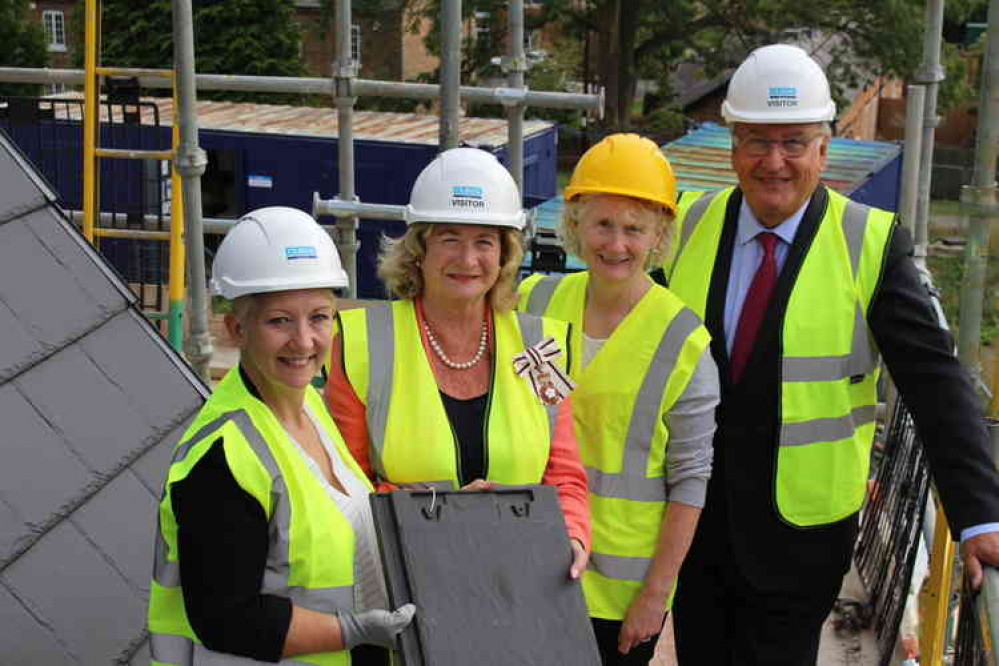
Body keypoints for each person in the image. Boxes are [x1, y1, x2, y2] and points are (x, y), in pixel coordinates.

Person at [664, 43, 999, 665]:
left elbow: (934, 382)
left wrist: (979, 515)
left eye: (794, 143)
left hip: (801, 538)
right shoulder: (688, 223)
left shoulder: (869, 242)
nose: (774, 162)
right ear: (732, 146)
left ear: (824, 148)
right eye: (757, 142)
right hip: (693, 528)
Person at [147, 207, 414, 666]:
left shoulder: (308, 404)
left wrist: (444, 508)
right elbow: (226, 618)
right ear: (236, 328)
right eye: (279, 321)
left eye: (319, 317)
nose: (305, 341)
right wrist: (353, 631)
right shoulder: (223, 457)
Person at [324, 147, 591, 578]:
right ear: (419, 249)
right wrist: (450, 513)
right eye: (450, 238)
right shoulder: (361, 344)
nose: (467, 260)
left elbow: (564, 475)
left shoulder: (540, 347)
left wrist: (573, 534)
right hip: (405, 574)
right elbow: (345, 486)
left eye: (484, 241)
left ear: (504, 254)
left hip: (519, 576)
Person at [518, 134, 719, 666]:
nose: (617, 243)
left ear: (659, 237)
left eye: (635, 229)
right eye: (603, 224)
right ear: (575, 224)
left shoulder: (683, 342)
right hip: (528, 564)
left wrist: (655, 595)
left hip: (617, 591)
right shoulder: (531, 301)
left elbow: (690, 481)